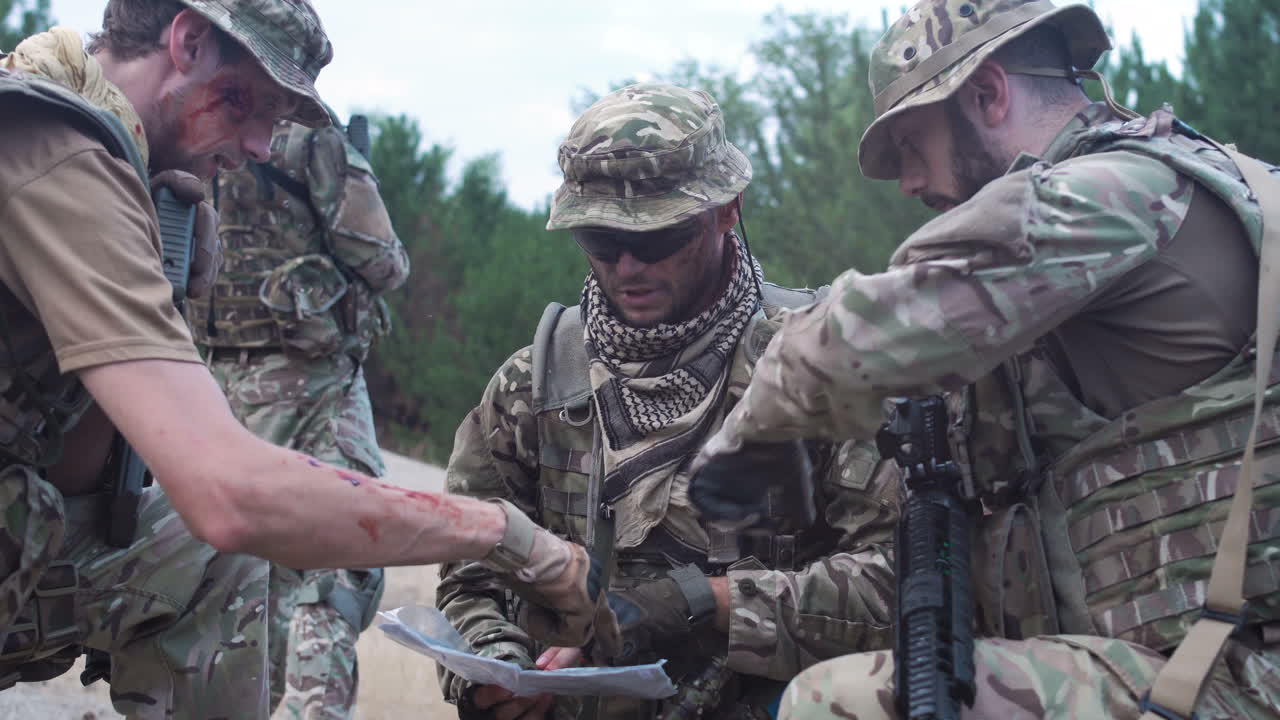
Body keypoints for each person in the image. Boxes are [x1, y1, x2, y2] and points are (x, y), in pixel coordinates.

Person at [0, 1, 600, 717]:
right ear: (186, 42)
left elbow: (76, 473)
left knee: (207, 558)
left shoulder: (107, 164)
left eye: (276, 120)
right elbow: (228, 495)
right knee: (231, 537)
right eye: (247, 104)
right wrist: (502, 532)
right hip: (300, 381)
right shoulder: (56, 155)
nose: (259, 146)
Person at [689, 1, 1280, 718]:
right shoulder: (1210, 184)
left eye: (912, 144)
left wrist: (755, 434)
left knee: (828, 702)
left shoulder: (1116, 194)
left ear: (988, 93)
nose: (907, 183)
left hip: (1237, 677)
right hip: (1195, 663)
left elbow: (858, 335)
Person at [436, 82, 898, 720]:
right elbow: (471, 571)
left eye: (656, 240)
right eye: (599, 240)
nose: (627, 266)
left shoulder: (817, 365)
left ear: (727, 210)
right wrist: (496, 666)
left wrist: (707, 600)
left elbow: (897, 582)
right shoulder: (532, 386)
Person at [188, 109, 409, 719]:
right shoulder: (314, 141)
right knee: (335, 562)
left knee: (237, 575)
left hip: (211, 382)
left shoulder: (197, 130)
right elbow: (385, 263)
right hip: (311, 382)